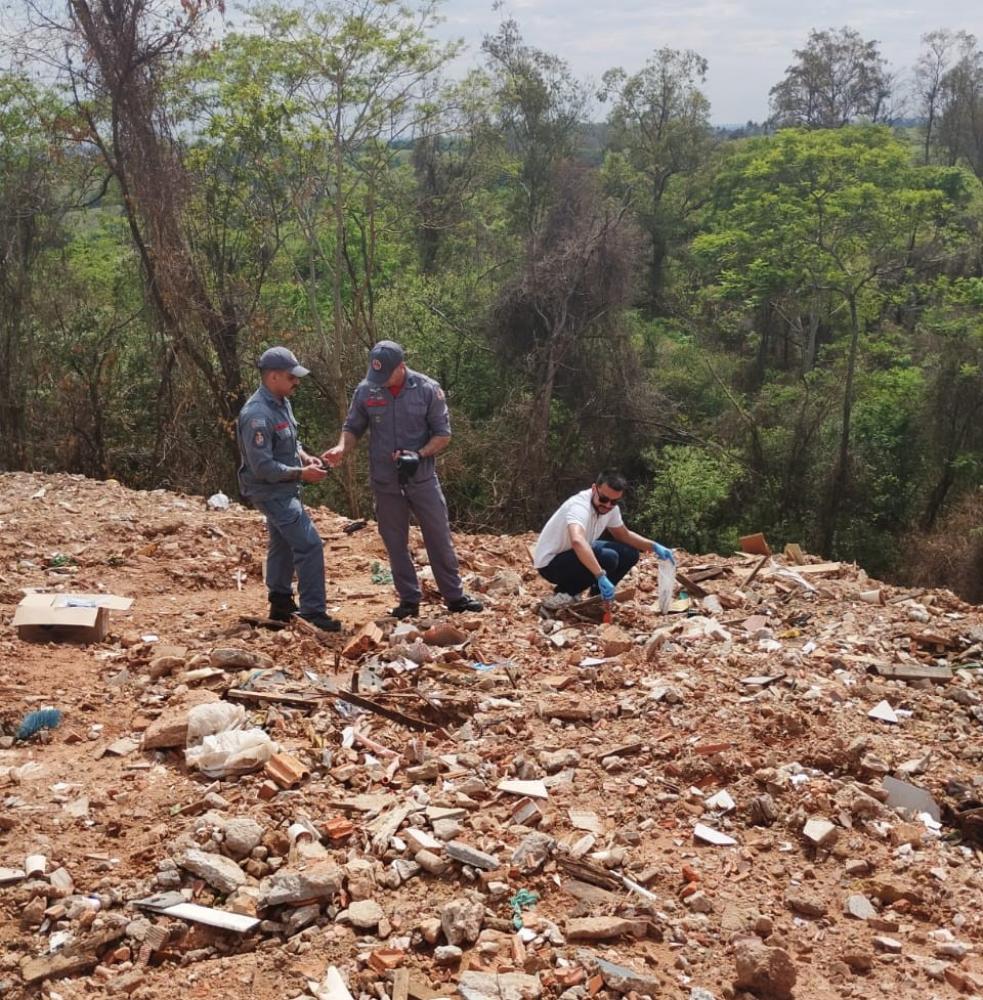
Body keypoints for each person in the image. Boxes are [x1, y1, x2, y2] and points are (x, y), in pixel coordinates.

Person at [323, 340, 482, 619]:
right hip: (385, 481)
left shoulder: (428, 390)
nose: (381, 383)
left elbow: (443, 435)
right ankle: (409, 600)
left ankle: (455, 597)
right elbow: (353, 427)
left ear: (401, 367)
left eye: (386, 376)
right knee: (395, 541)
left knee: (438, 537)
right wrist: (341, 448)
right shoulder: (366, 390)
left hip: (421, 478)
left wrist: (418, 455)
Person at [237, 346, 341, 632]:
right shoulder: (256, 415)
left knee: (282, 544)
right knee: (309, 545)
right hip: (271, 491)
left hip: (284, 488)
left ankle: (281, 602)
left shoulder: (281, 402)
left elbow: (289, 441)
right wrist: (302, 473)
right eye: (291, 377)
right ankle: (313, 611)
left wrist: (305, 456)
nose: (297, 382)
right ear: (273, 377)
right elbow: (263, 468)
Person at [532, 470, 675, 600]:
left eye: (614, 501)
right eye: (604, 499)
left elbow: (624, 535)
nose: (607, 505)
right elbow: (577, 541)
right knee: (608, 558)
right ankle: (565, 593)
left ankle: (598, 595)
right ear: (594, 489)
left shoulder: (610, 509)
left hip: (572, 554)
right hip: (551, 565)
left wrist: (654, 547)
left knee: (630, 553)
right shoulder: (579, 506)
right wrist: (600, 575)